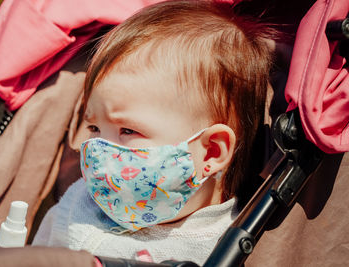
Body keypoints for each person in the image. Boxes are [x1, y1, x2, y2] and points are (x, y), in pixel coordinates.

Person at [32, 0, 273, 264]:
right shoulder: (78, 203)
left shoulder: (221, 249)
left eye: (127, 130)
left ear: (211, 151)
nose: (99, 151)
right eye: (94, 128)